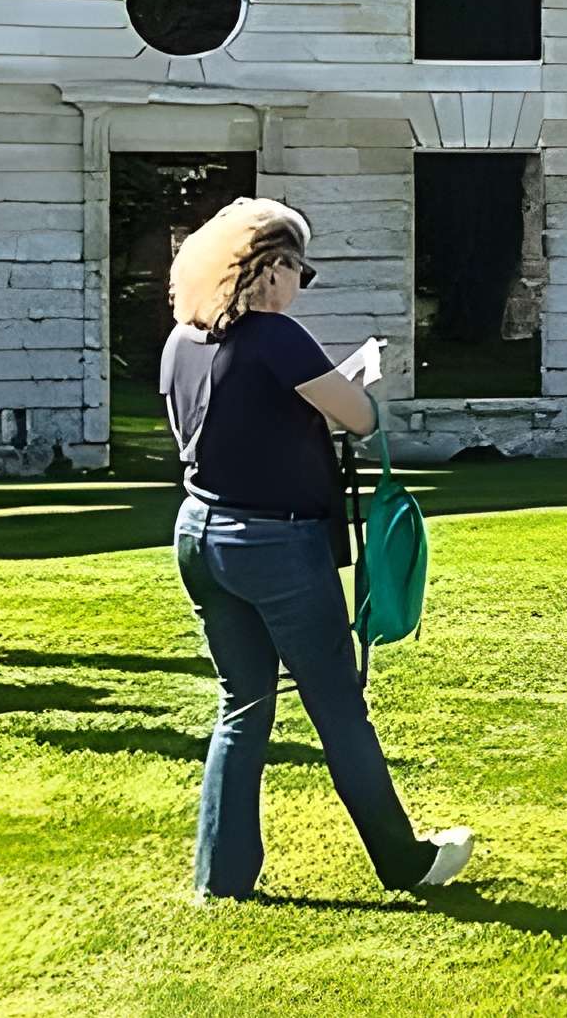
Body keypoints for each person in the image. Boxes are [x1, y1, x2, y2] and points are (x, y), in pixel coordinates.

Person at [161, 197, 474, 900]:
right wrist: (356, 380)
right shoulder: (277, 337)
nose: (301, 283)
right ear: (270, 269)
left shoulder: (182, 338)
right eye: (299, 269)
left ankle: (222, 877)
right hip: (276, 539)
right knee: (337, 703)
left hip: (200, 530)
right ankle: (404, 861)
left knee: (242, 704)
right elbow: (359, 418)